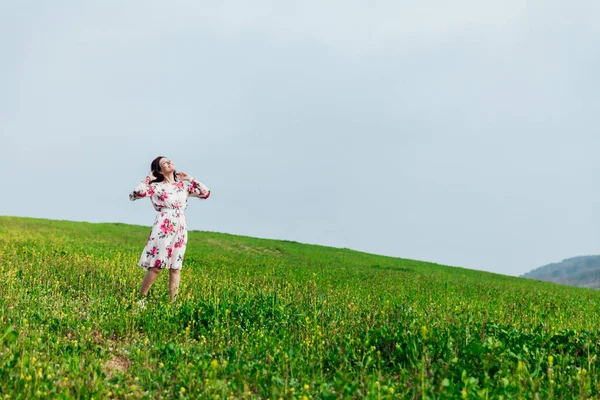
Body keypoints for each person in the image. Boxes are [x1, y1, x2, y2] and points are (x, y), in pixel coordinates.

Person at [129, 156, 211, 304]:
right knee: (157, 266)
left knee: (176, 267)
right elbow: (136, 193)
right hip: (164, 224)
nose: (169, 163)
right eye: (164, 163)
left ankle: (172, 305)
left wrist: (189, 178)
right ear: (159, 170)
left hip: (180, 225)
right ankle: (141, 300)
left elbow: (205, 193)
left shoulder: (182, 186)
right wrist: (149, 178)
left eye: (169, 160)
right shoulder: (155, 187)